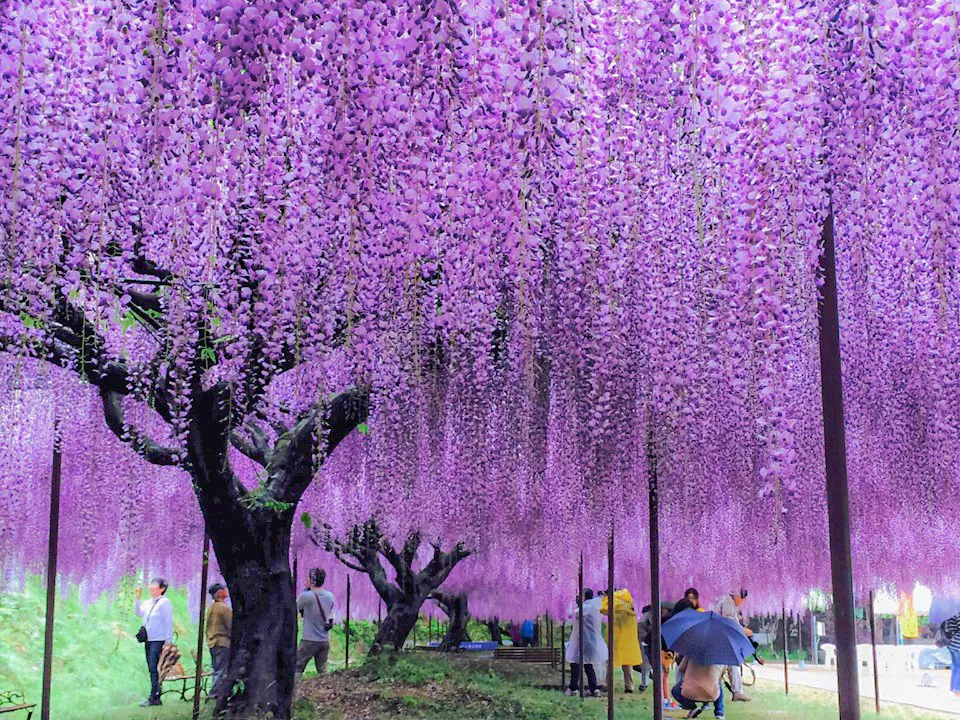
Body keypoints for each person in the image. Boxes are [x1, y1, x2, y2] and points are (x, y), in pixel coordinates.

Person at [134, 578, 174, 707]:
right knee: (152, 668)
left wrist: (168, 641)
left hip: (159, 639)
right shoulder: (147, 603)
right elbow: (138, 613)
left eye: (154, 587)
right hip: (149, 640)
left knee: (154, 667)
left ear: (162, 589)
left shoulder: (165, 603)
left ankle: (154, 696)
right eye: (150, 587)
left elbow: (168, 622)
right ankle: (156, 695)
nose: (151, 589)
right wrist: (137, 599)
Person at [565, 589, 608, 697]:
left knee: (575, 664)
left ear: (585, 597)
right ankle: (593, 689)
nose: (577, 598)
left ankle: (573, 688)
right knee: (588, 665)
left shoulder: (586, 607)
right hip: (590, 642)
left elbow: (572, 614)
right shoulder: (595, 606)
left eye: (579, 596)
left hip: (583, 641)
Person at [600, 589, 643, 693]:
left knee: (610, 661)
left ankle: (608, 684)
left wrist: (606, 599)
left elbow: (603, 610)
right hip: (628, 637)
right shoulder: (628, 602)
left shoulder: (613, 602)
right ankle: (629, 686)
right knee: (626, 662)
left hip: (615, 636)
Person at [295, 568, 335, 680]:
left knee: (298, 667)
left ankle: (294, 691)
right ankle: (327, 693)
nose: (305, 580)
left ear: (312, 580)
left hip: (309, 640)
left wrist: (306, 589)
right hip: (324, 640)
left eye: (307, 578)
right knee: (323, 671)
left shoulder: (306, 596)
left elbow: (297, 608)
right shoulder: (330, 596)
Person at [714, 589, 752, 702]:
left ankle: (737, 692)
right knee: (720, 669)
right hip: (722, 639)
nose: (743, 602)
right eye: (743, 599)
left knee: (732, 665)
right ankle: (714, 695)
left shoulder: (729, 602)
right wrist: (743, 630)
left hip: (725, 639)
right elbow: (728, 621)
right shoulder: (727, 601)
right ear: (739, 596)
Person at [205, 582, 232, 699]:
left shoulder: (212, 607)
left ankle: (216, 693)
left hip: (213, 642)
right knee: (221, 670)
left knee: (216, 669)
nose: (227, 591)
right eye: (224, 589)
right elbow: (231, 625)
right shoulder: (224, 608)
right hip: (222, 642)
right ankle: (214, 693)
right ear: (219, 593)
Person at [944, 612, 960, 696]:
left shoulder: (950, 613)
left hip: (952, 643)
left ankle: (953, 688)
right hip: (958, 643)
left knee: (955, 667)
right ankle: (957, 690)